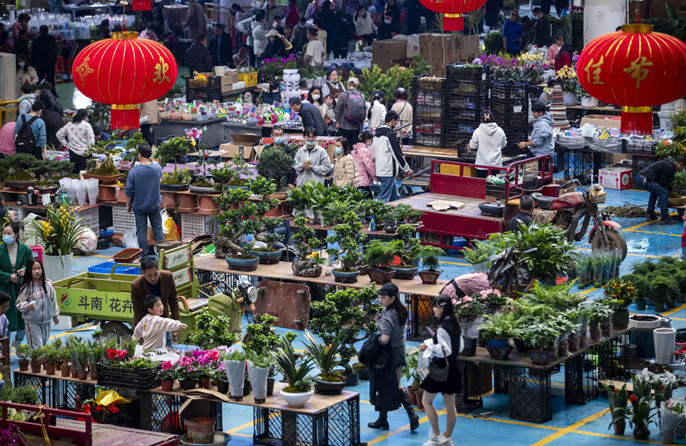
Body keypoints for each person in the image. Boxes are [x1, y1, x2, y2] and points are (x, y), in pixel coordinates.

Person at [368, 283, 420, 432]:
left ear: (393, 298)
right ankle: (409, 415)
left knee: (381, 386)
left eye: (384, 297)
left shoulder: (388, 315)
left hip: (387, 356)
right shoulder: (401, 311)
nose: (381, 300)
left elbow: (384, 339)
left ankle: (385, 419)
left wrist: (373, 340)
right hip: (399, 352)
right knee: (396, 385)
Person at [418, 295, 460, 446]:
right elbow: (457, 347)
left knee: (426, 401)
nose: (433, 309)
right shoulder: (455, 324)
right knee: (450, 404)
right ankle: (447, 437)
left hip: (440, 370)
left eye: (435, 306)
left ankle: (436, 435)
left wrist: (428, 346)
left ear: (442, 308)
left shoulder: (442, 328)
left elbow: (445, 351)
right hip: (453, 367)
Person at [125, 144, 164, 255]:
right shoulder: (157, 169)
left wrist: (128, 205)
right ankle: (162, 254)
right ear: (150, 155)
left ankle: (144, 255)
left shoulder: (134, 171)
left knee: (141, 230)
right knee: (157, 229)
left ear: (139, 155)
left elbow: (129, 190)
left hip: (139, 205)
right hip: (154, 205)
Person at [0, 221, 33, 348]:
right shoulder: (0, 250)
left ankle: (18, 341)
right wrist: (8, 277)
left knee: (22, 317)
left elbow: (32, 266)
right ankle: (4, 348)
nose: (6, 236)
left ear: (16, 235)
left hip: (21, 289)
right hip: (4, 289)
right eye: (4, 233)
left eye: (9, 233)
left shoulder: (25, 250)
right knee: (5, 317)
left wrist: (24, 270)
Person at [131, 256, 181, 338]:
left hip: (163, 321)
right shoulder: (137, 285)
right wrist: (141, 336)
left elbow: (173, 301)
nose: (153, 278)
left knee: (167, 347)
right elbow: (138, 312)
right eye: (149, 275)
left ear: (158, 269)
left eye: (155, 274)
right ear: (143, 273)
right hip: (147, 326)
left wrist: (177, 323)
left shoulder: (167, 277)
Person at [16, 259, 59, 349]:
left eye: (39, 268)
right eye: (34, 269)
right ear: (29, 271)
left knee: (43, 345)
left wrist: (55, 315)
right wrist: (27, 306)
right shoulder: (27, 287)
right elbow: (19, 303)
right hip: (32, 322)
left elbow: (53, 301)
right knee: (36, 348)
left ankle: (40, 363)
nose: (37, 271)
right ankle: (36, 363)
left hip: (46, 322)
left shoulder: (48, 284)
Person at [374, 110, 412, 202]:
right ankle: (376, 214)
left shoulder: (376, 134)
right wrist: (407, 169)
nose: (396, 124)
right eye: (396, 121)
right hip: (388, 170)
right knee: (384, 198)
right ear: (392, 120)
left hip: (380, 168)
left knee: (394, 197)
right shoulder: (390, 135)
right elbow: (397, 154)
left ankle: (397, 214)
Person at [636, 156, 686, 225]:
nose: (681, 169)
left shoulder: (670, 165)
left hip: (641, 177)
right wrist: (666, 197)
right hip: (643, 179)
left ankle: (650, 214)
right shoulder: (670, 166)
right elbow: (663, 182)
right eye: (682, 167)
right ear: (680, 164)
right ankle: (664, 218)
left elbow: (664, 181)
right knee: (664, 193)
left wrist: (670, 190)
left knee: (655, 192)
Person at [469, 110, 507, 178]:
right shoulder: (500, 130)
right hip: (496, 164)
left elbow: (472, 146)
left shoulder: (477, 131)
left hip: (481, 164)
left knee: (481, 183)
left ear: (481, 120)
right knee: (494, 183)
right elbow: (504, 145)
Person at [56, 109, 94, 173]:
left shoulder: (69, 124)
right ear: (85, 116)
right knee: (85, 174)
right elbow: (91, 140)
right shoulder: (86, 125)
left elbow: (59, 134)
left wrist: (65, 144)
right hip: (85, 153)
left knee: (74, 172)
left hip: (73, 152)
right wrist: (91, 149)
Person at [334, 77, 366, 146]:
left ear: (347, 85)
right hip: (356, 127)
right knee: (354, 148)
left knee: (344, 147)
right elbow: (364, 110)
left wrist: (337, 122)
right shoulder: (361, 96)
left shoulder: (343, 95)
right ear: (357, 86)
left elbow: (338, 109)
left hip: (344, 126)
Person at [352, 130, 377, 198]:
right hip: (364, 181)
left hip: (355, 180)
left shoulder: (355, 150)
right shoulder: (365, 150)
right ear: (368, 139)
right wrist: (375, 177)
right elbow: (369, 166)